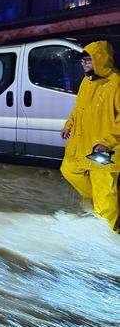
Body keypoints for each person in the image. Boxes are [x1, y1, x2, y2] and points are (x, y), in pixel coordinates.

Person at [60, 40, 120, 232]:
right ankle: (95, 206)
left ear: (101, 60)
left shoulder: (116, 82)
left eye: (88, 60)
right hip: (82, 145)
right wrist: (69, 124)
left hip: (106, 150)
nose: (84, 63)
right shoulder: (86, 82)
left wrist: (107, 142)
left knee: (105, 195)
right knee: (69, 170)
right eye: (83, 60)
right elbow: (79, 108)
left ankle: (108, 237)